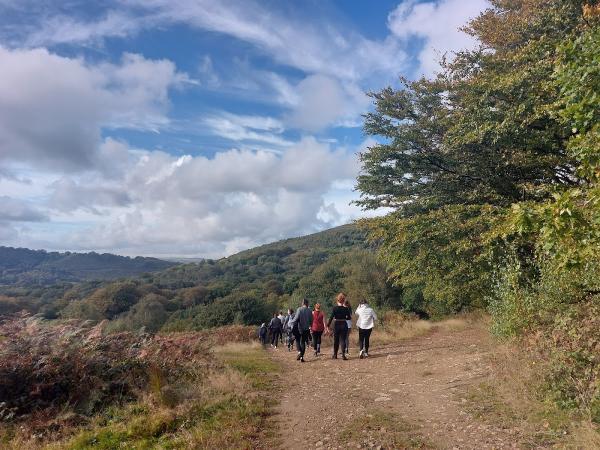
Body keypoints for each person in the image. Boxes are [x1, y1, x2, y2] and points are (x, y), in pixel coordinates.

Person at [327, 293, 351, 360]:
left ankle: (335, 355)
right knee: (343, 340)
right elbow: (349, 318)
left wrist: (328, 325)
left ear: (337, 300)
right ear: (343, 301)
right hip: (344, 324)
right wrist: (344, 317)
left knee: (336, 340)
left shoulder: (335, 308)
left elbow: (331, 317)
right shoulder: (346, 309)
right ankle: (343, 355)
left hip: (336, 324)